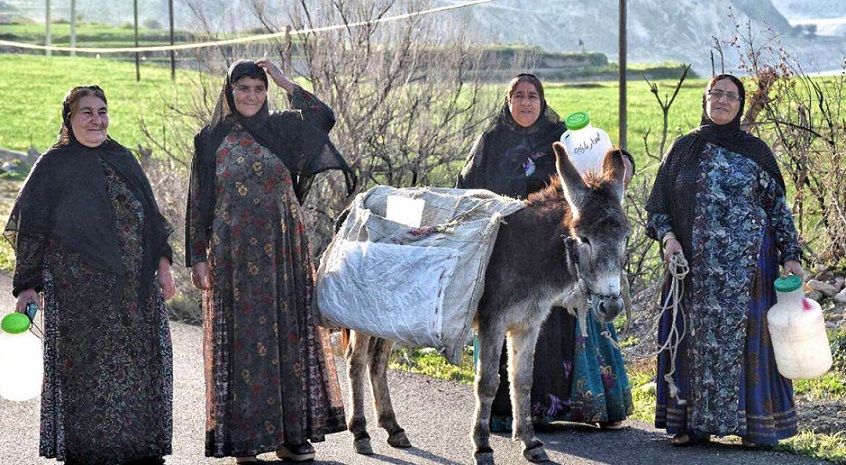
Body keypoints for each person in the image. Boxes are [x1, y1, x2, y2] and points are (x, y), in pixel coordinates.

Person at [186, 58, 355, 463]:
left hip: (284, 251)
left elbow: (322, 116)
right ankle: (245, 438)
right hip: (234, 254)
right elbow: (200, 199)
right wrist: (197, 256)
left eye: (258, 89)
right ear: (229, 91)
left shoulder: (283, 127)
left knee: (289, 336)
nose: (251, 96)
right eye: (242, 88)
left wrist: (283, 80)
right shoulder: (210, 138)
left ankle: (291, 436)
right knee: (245, 341)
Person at [4, 85, 176, 465]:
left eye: (102, 111)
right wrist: (27, 286)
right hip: (77, 293)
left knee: (135, 369)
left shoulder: (123, 159)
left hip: (135, 289)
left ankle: (139, 450)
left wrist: (163, 265)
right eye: (87, 112)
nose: (97, 119)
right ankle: (88, 455)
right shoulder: (53, 166)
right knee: (87, 377)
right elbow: (30, 229)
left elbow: (153, 220)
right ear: (69, 118)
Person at [457, 73, 634, 432]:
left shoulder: (560, 138)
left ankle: (578, 407)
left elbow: (601, 162)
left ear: (542, 100)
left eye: (532, 96)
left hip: (559, 250)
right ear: (508, 102)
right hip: (507, 252)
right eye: (518, 96)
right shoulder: (490, 141)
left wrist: (623, 163)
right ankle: (506, 411)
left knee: (560, 325)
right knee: (503, 322)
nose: (525, 102)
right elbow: (466, 188)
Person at [645, 74, 805, 448]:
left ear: (740, 104)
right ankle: (689, 424)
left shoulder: (756, 152)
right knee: (691, 344)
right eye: (715, 93)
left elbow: (778, 211)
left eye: (731, 96)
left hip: (750, 274)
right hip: (693, 272)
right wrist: (668, 239)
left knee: (750, 347)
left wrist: (791, 255)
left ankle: (753, 427)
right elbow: (657, 209)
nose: (722, 100)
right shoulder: (683, 149)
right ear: (704, 99)